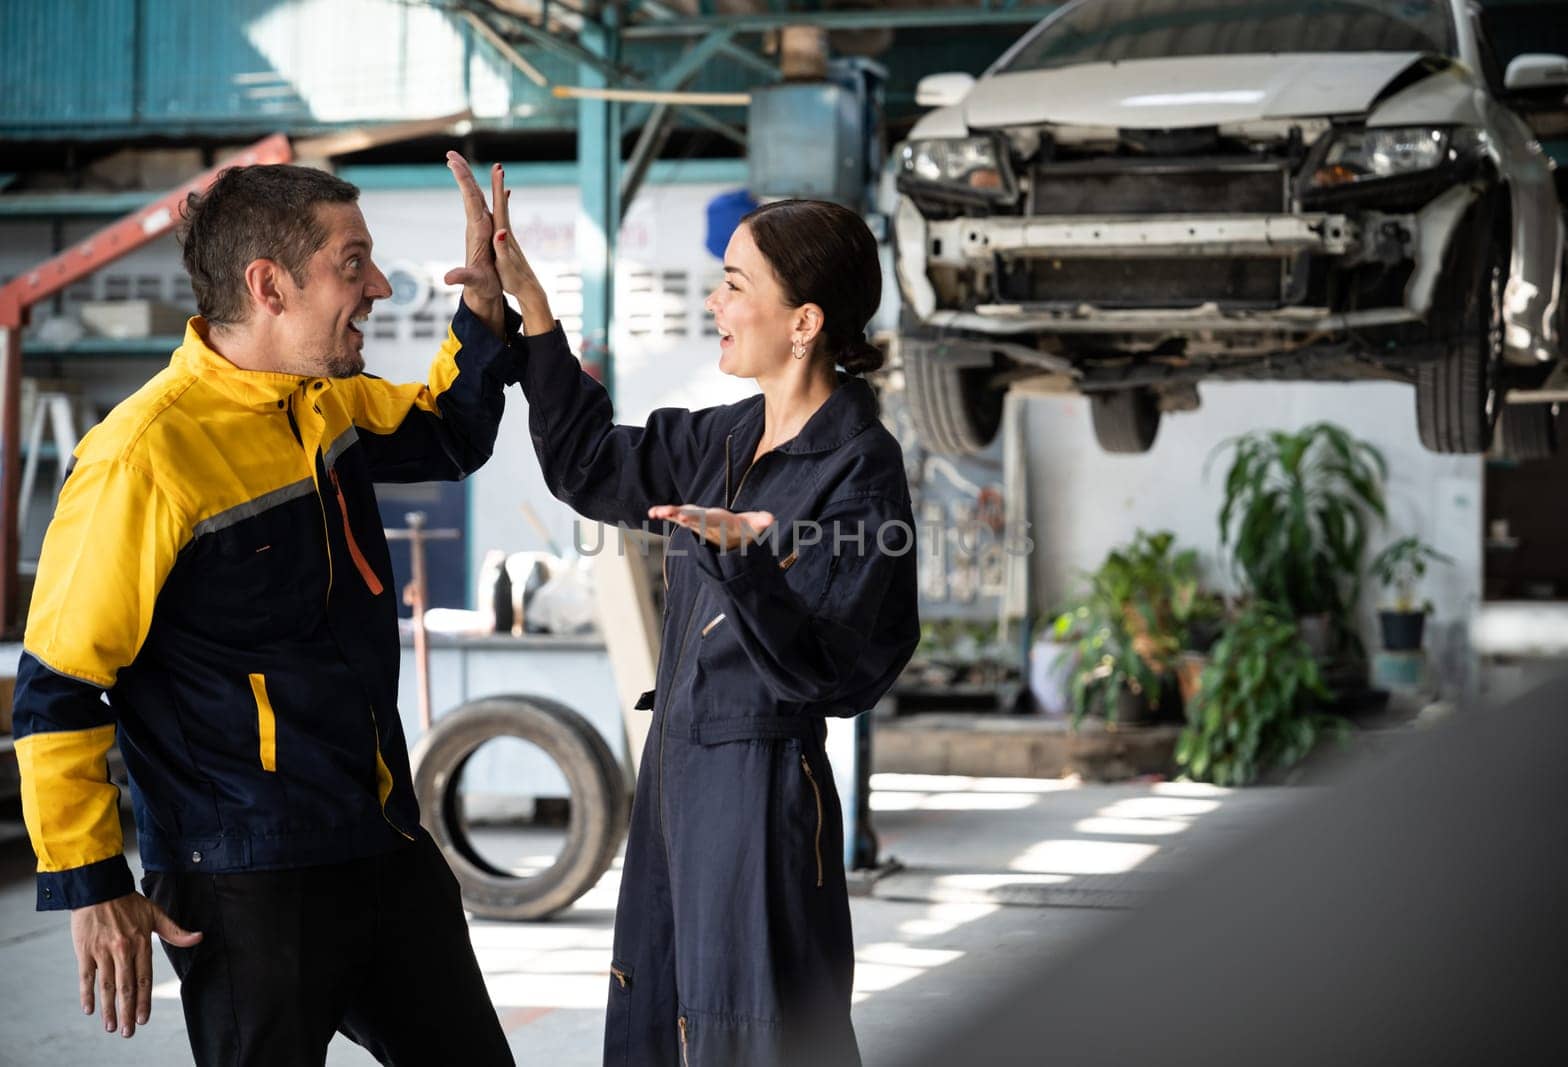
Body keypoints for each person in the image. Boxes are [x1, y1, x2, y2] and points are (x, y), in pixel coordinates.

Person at [11, 153, 522, 1066]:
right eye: (352, 261)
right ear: (268, 285)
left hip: (380, 840)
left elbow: (449, 432)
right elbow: (59, 686)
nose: (380, 284)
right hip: (244, 879)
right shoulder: (145, 458)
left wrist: (484, 301)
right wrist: (90, 881)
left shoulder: (321, 406)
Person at [488, 178, 921, 1065]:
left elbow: (830, 672)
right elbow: (587, 465)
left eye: (734, 283)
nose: (715, 302)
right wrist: (533, 312)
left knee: (751, 1028)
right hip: (676, 769)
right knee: (658, 1007)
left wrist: (744, 560)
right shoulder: (723, 438)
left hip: (761, 789)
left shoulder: (859, 470)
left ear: (803, 322)